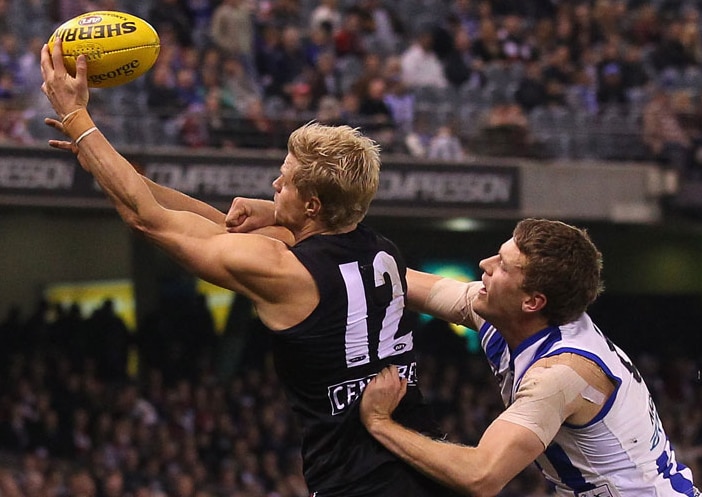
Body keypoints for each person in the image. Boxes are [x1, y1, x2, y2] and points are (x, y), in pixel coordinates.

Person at [39, 39, 458, 497]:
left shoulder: (284, 269)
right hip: (428, 470)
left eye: (285, 180)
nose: (275, 184)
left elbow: (149, 219)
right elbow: (211, 225)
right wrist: (101, 160)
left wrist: (80, 119)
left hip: (358, 484)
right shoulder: (382, 251)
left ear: (313, 204)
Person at [358, 218, 702, 497]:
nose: (485, 264)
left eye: (503, 267)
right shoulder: (515, 315)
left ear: (532, 301)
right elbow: (399, 282)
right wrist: (335, 260)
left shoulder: (561, 373)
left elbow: (480, 477)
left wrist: (379, 423)